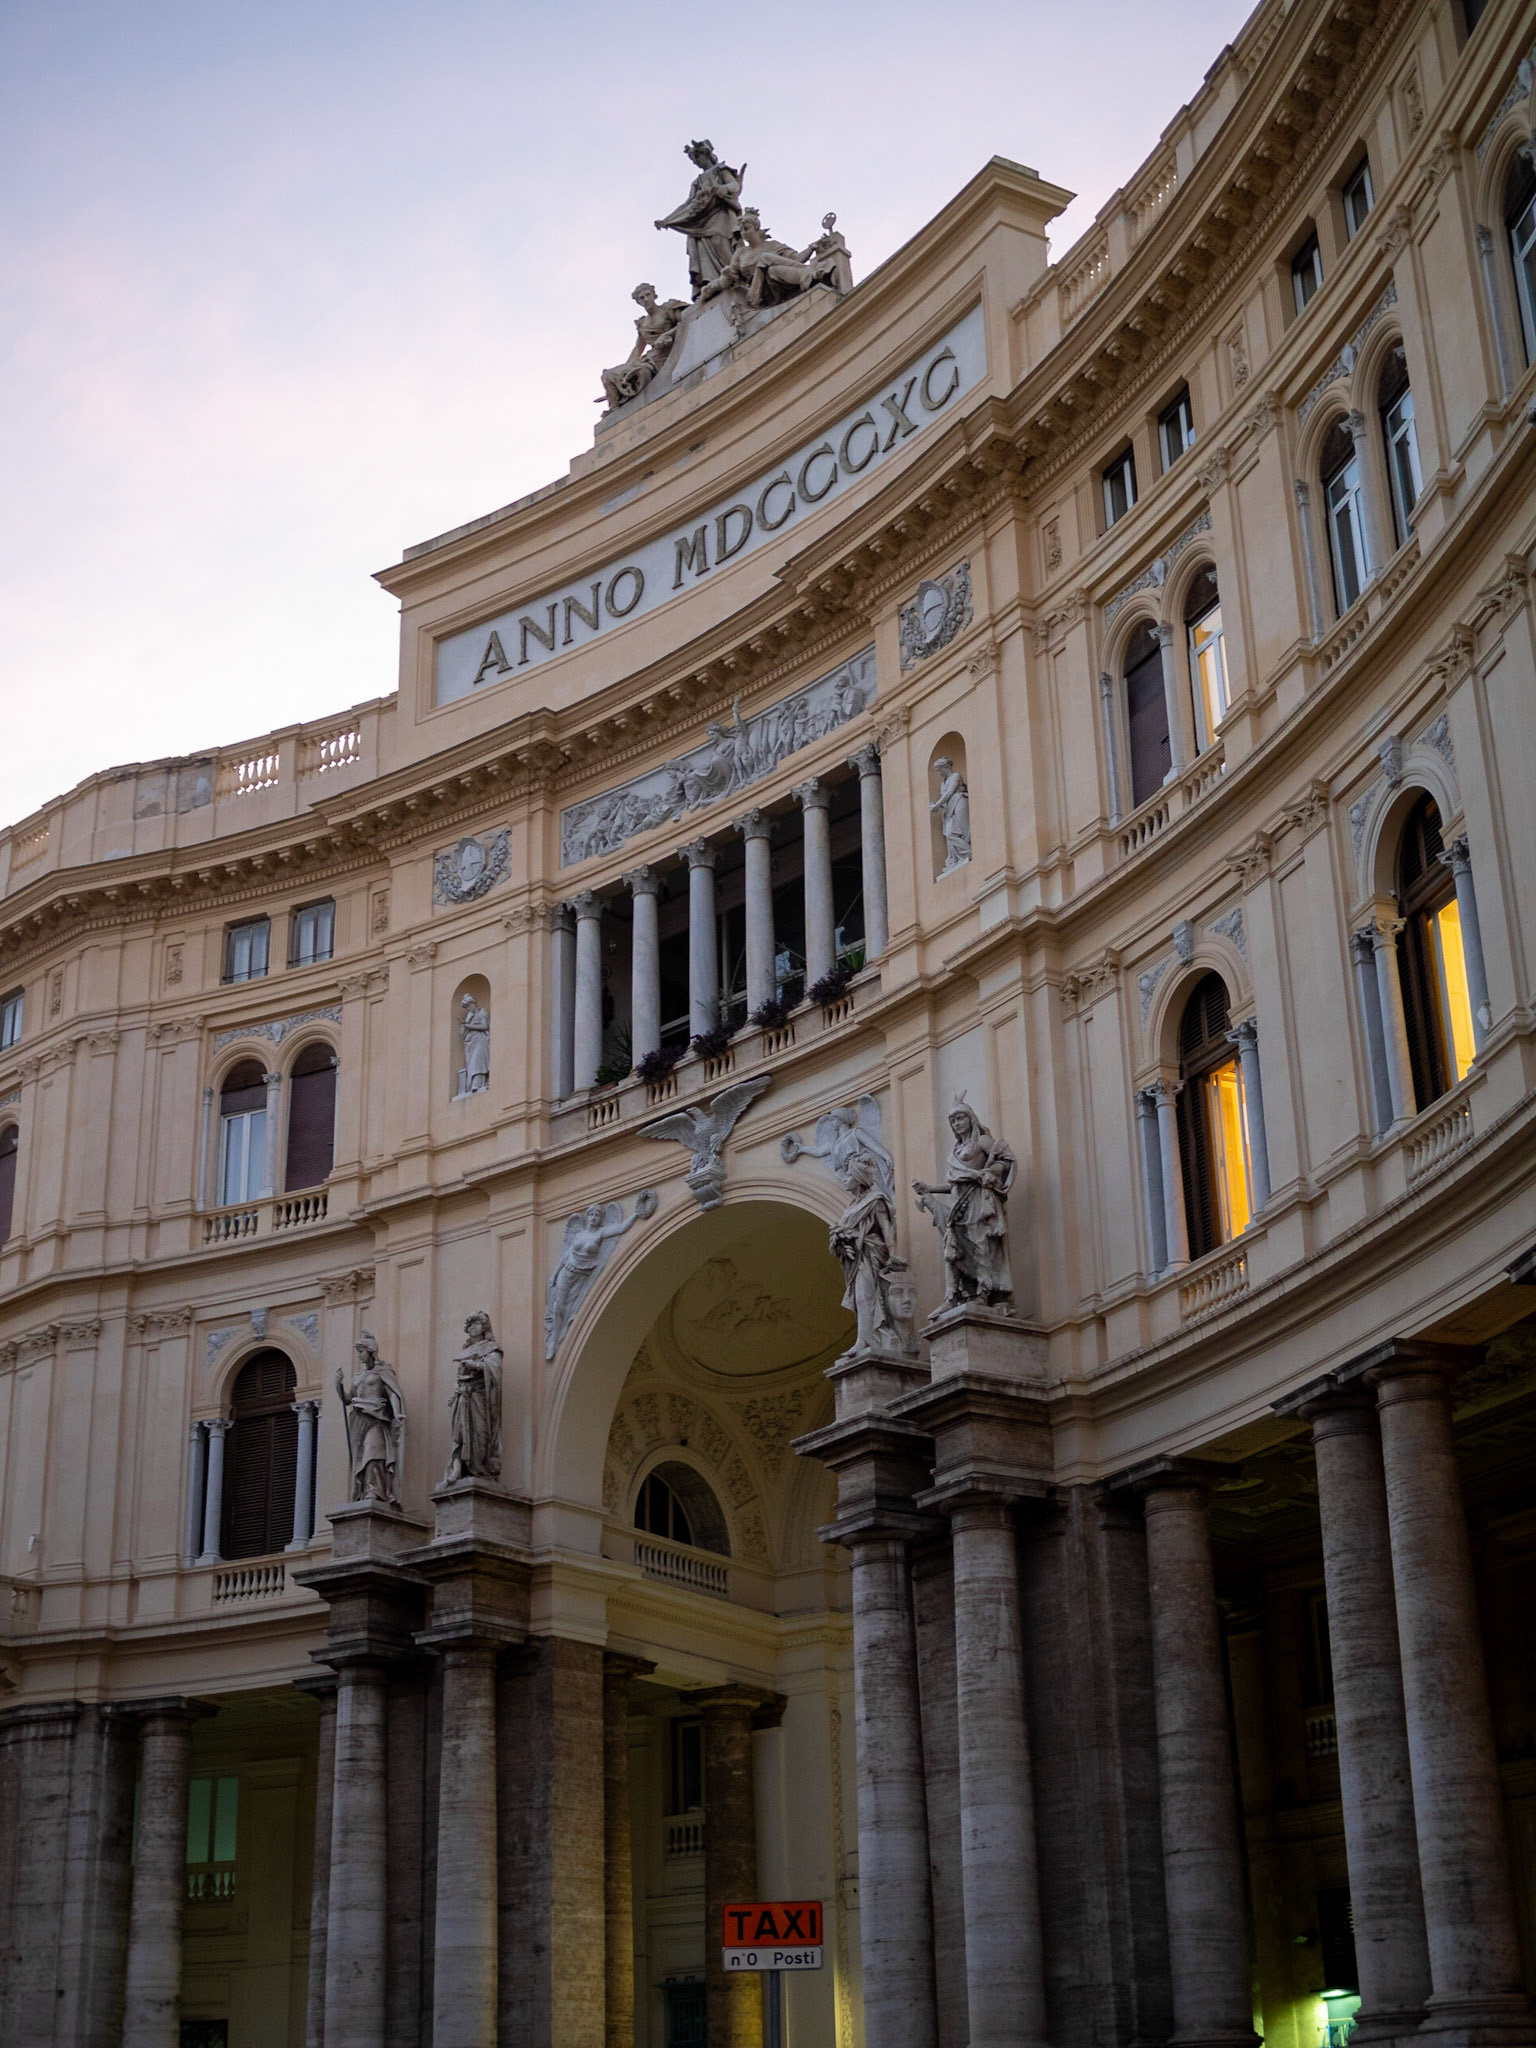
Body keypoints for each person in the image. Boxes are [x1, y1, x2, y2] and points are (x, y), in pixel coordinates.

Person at [914, 1101, 1016, 1307]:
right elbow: (954, 1182)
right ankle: (955, 1294)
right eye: (952, 1120)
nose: (956, 1123)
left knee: (981, 1244)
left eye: (960, 1118)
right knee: (955, 1247)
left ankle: (985, 1291)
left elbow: (1005, 1161)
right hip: (960, 1203)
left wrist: (987, 1174)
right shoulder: (956, 1149)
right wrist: (929, 1188)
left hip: (979, 1199)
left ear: (971, 1118)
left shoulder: (982, 1141)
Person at [655, 141, 745, 298]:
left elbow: (734, 185)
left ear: (706, 155)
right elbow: (688, 204)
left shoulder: (720, 169)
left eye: (697, 158)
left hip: (719, 215)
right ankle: (714, 283)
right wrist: (667, 220)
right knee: (701, 251)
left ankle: (739, 277)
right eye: (693, 161)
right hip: (699, 222)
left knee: (721, 243)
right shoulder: (696, 182)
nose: (696, 163)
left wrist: (722, 189)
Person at [599, 283, 686, 411]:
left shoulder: (668, 309)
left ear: (654, 295)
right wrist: (627, 367)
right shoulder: (643, 323)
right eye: (641, 298)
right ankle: (615, 408)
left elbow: (686, 322)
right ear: (638, 302)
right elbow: (638, 349)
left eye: (647, 295)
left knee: (639, 373)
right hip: (649, 358)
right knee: (608, 376)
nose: (645, 299)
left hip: (664, 357)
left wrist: (667, 335)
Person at [443, 1311, 502, 1484]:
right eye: (470, 1325)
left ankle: (479, 1467)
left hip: (479, 1398)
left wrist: (475, 1365)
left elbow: (495, 1369)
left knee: (480, 1432)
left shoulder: (491, 1348)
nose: (472, 1328)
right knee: (460, 1433)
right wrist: (455, 1394)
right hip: (463, 1397)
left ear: (484, 1327)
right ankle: (458, 1468)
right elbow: (458, 1377)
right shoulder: (466, 1351)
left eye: (476, 1324)